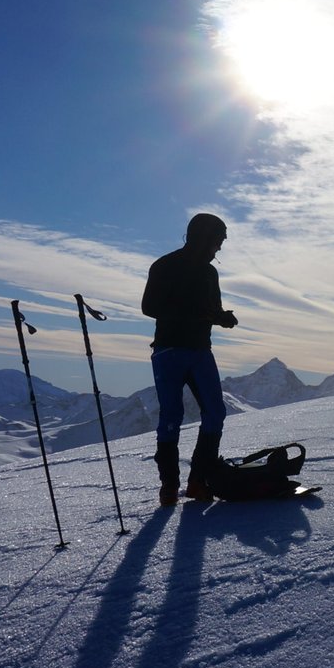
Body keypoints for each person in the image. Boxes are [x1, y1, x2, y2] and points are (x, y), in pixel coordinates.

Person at [142, 212, 239, 506]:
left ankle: (197, 481)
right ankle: (171, 487)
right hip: (171, 351)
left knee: (213, 413)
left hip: (197, 350)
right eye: (218, 240)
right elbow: (149, 307)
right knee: (174, 416)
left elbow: (211, 309)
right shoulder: (166, 266)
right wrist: (202, 314)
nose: (220, 247)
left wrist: (222, 318)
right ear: (204, 238)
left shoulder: (210, 273)